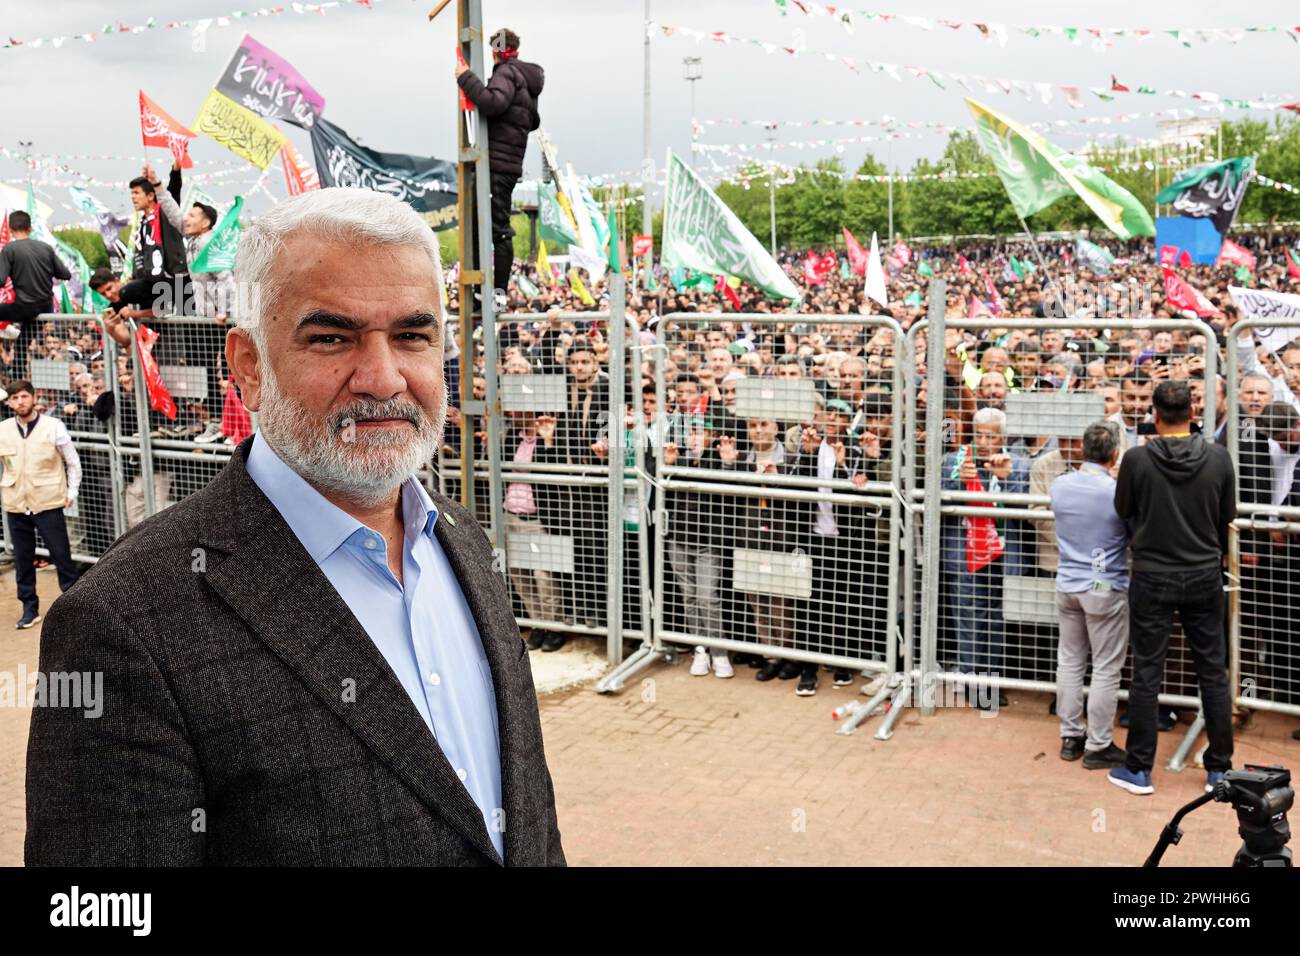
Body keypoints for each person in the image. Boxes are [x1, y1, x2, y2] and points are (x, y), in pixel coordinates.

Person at [25, 188, 564, 866]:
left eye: (412, 335)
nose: (382, 377)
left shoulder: (463, 539)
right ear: (247, 365)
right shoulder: (124, 622)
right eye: (331, 337)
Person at [1109, 380, 1236, 797]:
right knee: (1212, 672)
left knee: (1147, 670)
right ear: (1192, 413)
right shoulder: (1218, 459)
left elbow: (1123, 509)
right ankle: (1219, 769)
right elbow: (1226, 514)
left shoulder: (1136, 460)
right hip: (1202, 574)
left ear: (1155, 415)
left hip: (1154, 574)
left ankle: (1139, 768)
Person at [1050, 421, 1128, 770]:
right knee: (1106, 668)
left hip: (1068, 583)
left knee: (1070, 661)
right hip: (1103, 585)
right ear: (1114, 455)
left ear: (1083, 450)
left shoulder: (1061, 485)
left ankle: (1071, 736)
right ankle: (1098, 744)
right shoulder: (1115, 491)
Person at [454, 27, 544, 301]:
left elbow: (493, 103)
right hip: (508, 162)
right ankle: (489, 290)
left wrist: (466, 78)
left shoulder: (507, 74)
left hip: (496, 164)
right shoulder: (526, 81)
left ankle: (495, 293)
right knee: (484, 224)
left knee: (497, 229)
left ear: (495, 50)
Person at [0, 380, 81, 628]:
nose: (20, 402)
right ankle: (29, 608)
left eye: (24, 396)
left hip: (48, 501)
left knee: (61, 557)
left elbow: (72, 461)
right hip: (16, 503)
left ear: (34, 398)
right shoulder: (3, 429)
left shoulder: (53, 426)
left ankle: (75, 609)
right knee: (23, 560)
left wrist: (72, 491)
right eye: (15, 398)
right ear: (10, 402)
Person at [0, 211, 70, 377]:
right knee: (22, 343)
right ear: (30, 228)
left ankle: (16, 377)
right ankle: (18, 379)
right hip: (46, 308)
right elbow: (65, 274)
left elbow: (1, 280)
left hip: (24, 307)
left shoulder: (10, 249)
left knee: (22, 342)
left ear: (10, 229)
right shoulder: (45, 248)